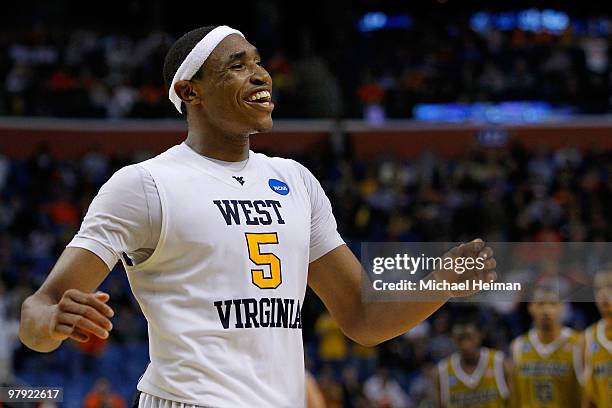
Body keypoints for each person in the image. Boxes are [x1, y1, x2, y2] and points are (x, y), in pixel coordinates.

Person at [19, 25, 497, 407]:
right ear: (191, 91)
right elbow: (36, 312)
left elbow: (362, 317)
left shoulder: (296, 181)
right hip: (187, 401)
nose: (261, 74)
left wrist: (440, 285)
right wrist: (55, 320)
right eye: (237, 65)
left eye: (258, 61)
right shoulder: (144, 185)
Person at [510, 285, 582, 408]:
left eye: (553, 304)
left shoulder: (578, 342)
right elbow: (515, 396)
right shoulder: (518, 345)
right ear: (530, 307)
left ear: (562, 307)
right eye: (541, 304)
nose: (546, 310)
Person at [434, 317, 511, 408]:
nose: (466, 344)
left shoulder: (499, 362)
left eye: (470, 337)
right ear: (453, 339)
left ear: (480, 335)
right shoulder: (443, 370)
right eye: (460, 339)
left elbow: (514, 401)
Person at [582, 266, 612, 408]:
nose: (604, 294)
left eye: (610, 287)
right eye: (598, 289)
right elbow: (589, 397)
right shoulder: (588, 337)